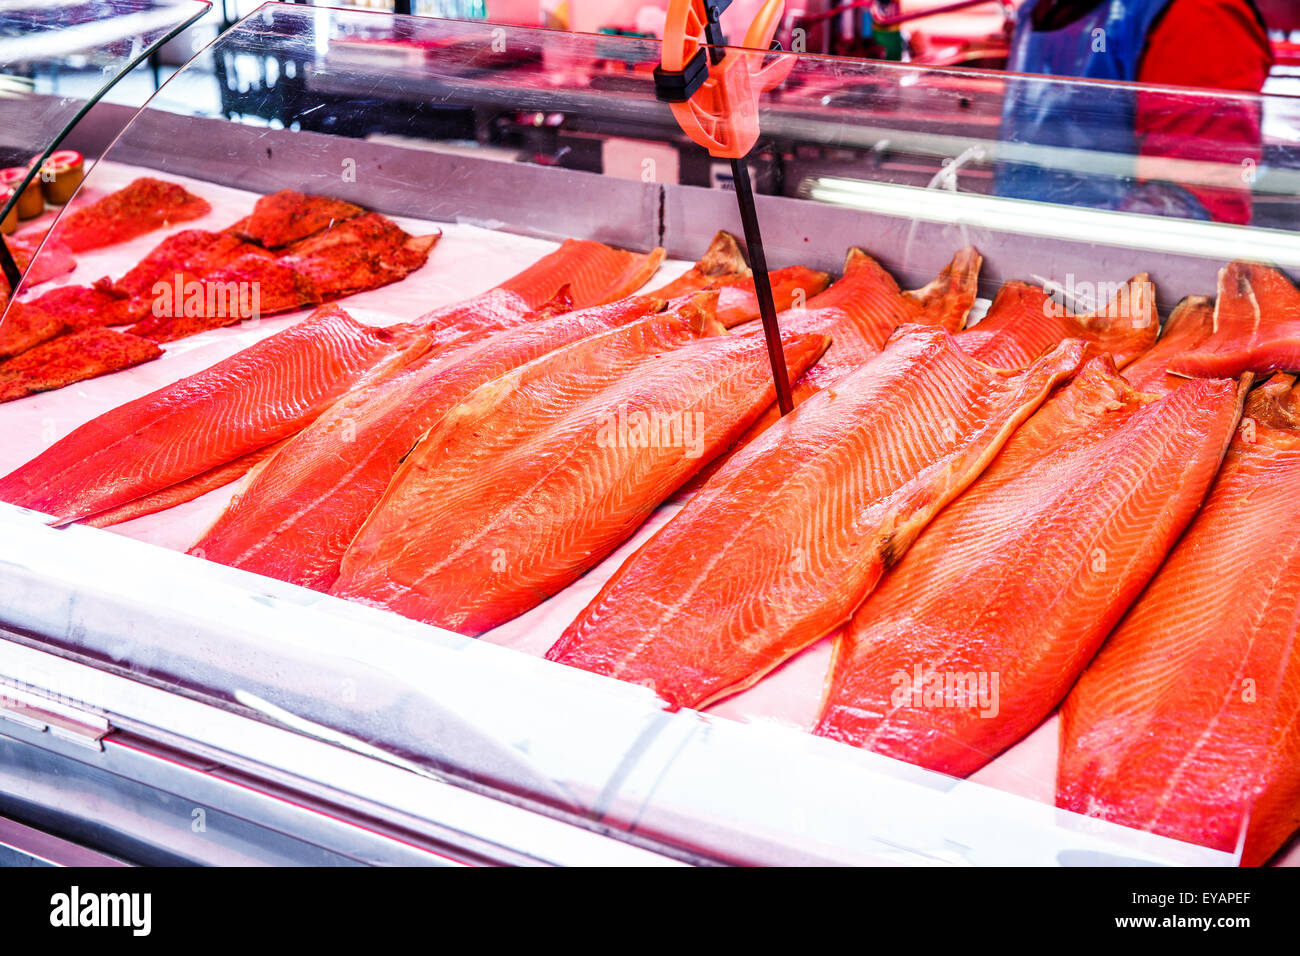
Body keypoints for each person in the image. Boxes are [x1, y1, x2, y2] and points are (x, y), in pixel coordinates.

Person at [997, 0, 1273, 224]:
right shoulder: (1038, 9)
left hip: (1110, 276)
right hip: (1028, 256)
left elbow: (1194, 214)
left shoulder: (1199, 15)